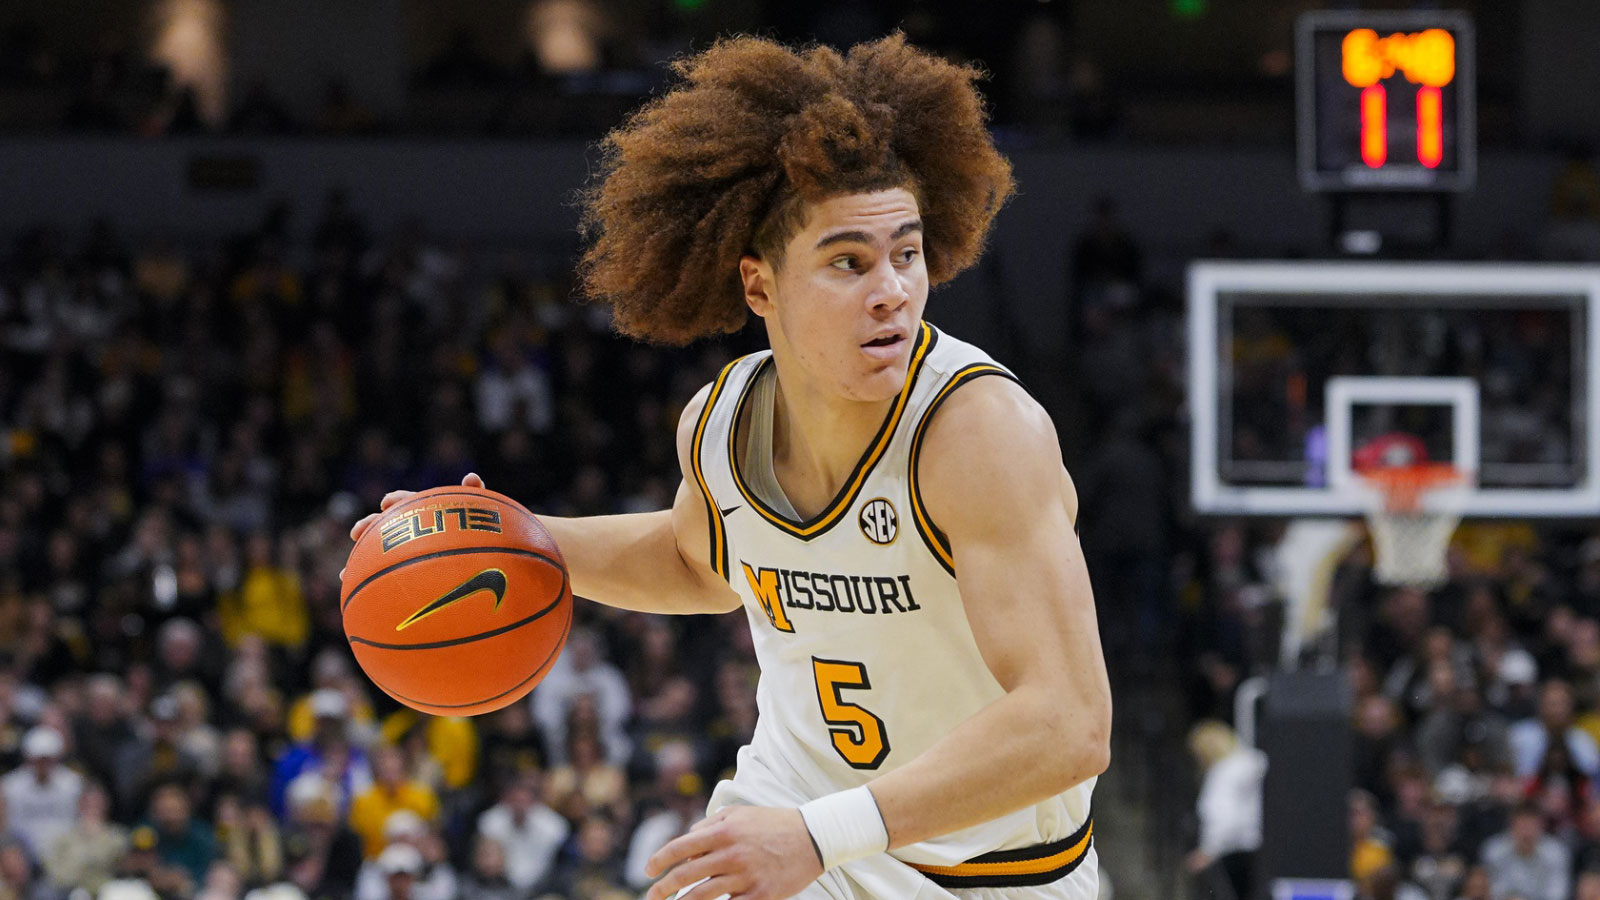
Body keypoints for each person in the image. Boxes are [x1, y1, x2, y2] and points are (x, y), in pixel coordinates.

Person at [352, 32, 1109, 900]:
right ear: (759, 287)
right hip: (793, 813)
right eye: (848, 262)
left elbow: (1070, 723)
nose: (893, 290)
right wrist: (503, 539)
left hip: (987, 871)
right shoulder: (720, 426)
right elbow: (696, 562)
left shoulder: (978, 432)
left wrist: (821, 838)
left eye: (906, 253)